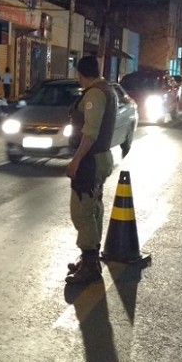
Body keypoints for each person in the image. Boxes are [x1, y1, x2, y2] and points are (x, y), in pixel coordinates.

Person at [65, 56, 116, 284]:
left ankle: (90, 264)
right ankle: (89, 259)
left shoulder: (94, 94)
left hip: (91, 160)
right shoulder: (108, 90)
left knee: (82, 212)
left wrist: (76, 159)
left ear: (81, 74)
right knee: (94, 208)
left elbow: (90, 132)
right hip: (100, 157)